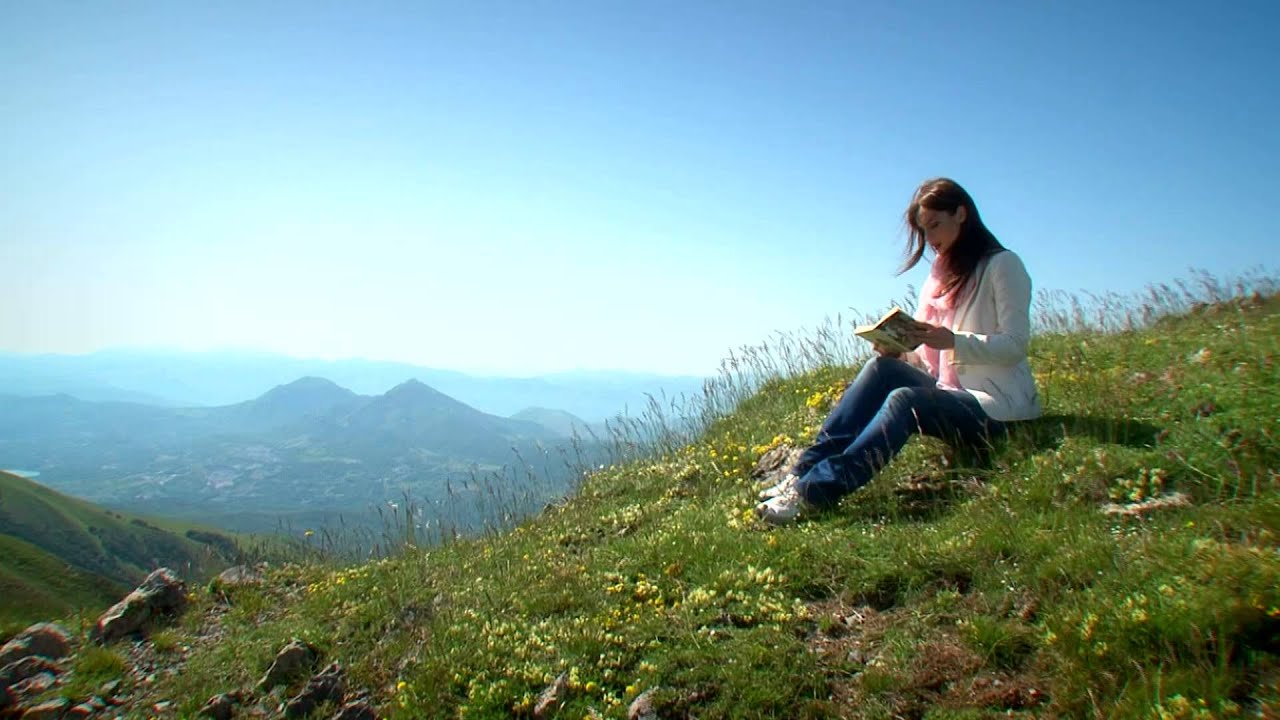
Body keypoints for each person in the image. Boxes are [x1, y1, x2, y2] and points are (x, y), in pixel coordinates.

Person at [756, 177, 1043, 524]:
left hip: (998, 408)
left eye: (935, 225)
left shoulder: (1003, 266)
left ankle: (813, 492)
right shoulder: (939, 279)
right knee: (880, 369)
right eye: (924, 231)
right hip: (949, 392)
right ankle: (801, 473)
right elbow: (928, 362)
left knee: (904, 400)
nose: (931, 240)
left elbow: (1014, 346)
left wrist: (953, 340)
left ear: (962, 214)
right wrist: (897, 351)